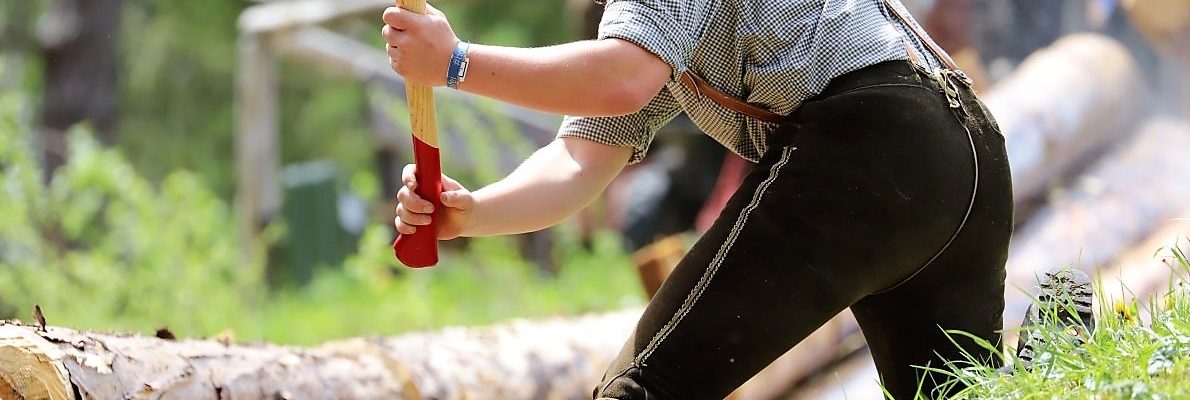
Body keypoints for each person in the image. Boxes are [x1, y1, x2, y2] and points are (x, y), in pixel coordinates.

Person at [383, 0, 1012, 398]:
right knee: (960, 392)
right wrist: (472, 213)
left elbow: (621, 79)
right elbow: (580, 159)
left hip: (875, 143)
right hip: (966, 150)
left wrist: (456, 62)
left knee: (645, 390)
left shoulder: (644, 42)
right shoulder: (665, 35)